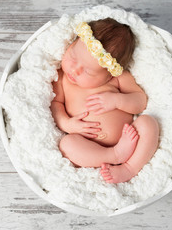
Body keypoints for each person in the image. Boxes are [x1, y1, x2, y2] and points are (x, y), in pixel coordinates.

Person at [50, 18, 159, 183]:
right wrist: (67, 124)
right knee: (67, 144)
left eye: (88, 71)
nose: (75, 69)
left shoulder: (118, 79)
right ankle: (113, 155)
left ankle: (129, 168)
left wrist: (117, 100)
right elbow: (56, 105)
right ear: (72, 44)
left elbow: (140, 101)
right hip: (85, 143)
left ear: (110, 74)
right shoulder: (61, 77)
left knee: (148, 123)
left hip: (129, 138)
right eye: (73, 56)